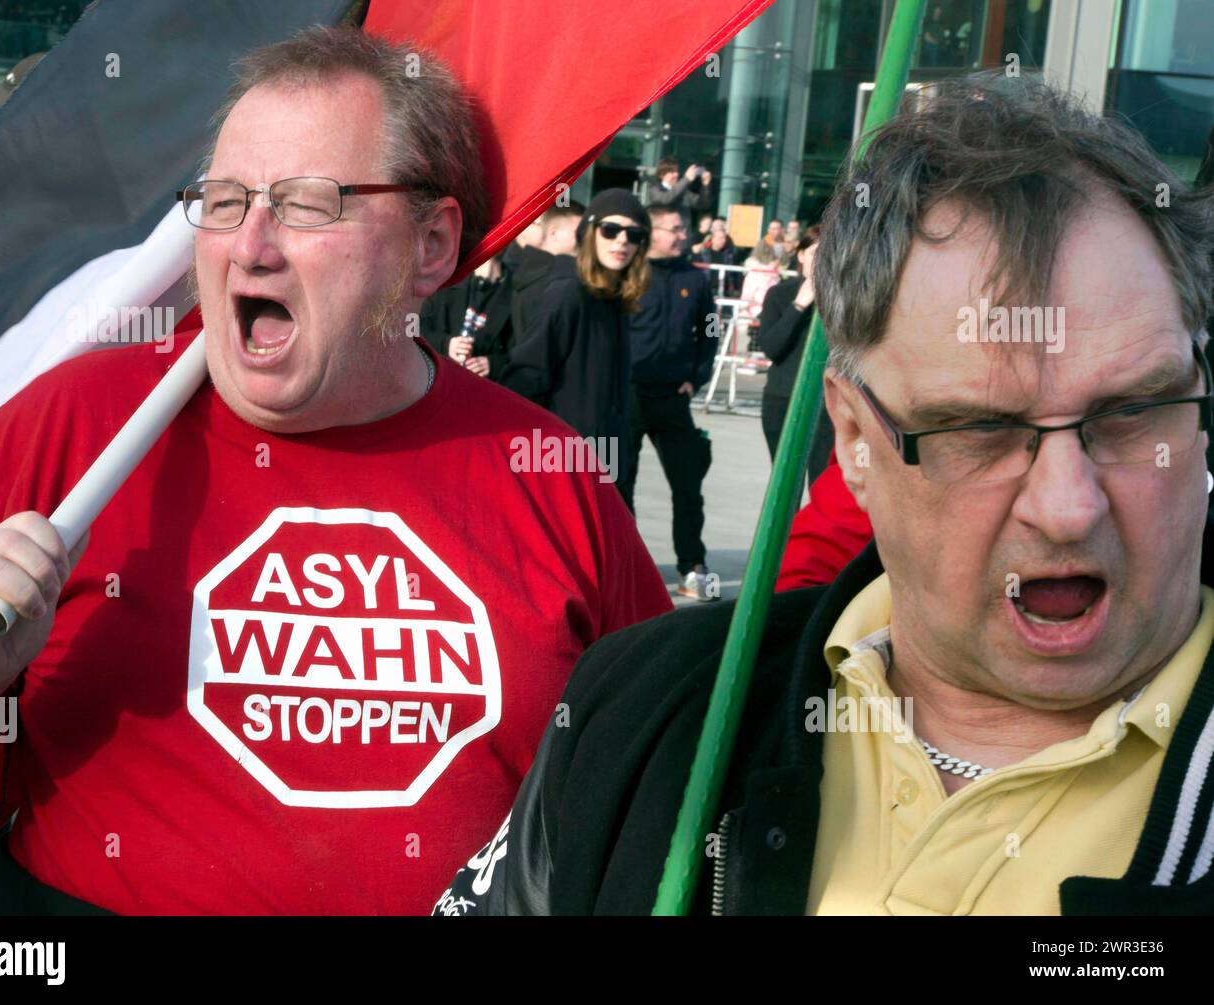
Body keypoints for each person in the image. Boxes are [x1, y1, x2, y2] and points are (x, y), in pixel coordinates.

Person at [0, 24, 671, 917]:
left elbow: (650, 780)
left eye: (308, 203)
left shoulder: (553, 478)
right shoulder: (68, 427)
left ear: (432, 245)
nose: (251, 244)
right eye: (225, 200)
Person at [438, 73, 1214, 916]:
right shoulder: (651, 713)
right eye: (979, 432)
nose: (1068, 506)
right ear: (852, 440)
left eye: (1133, 412)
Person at [501, 190, 652, 485]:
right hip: (559, 463)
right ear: (589, 234)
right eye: (610, 230)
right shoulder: (568, 293)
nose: (622, 240)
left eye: (633, 235)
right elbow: (524, 378)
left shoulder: (617, 301)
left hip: (607, 461)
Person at [617, 204, 718, 601]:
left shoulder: (695, 279)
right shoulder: (627, 273)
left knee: (688, 486)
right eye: (674, 228)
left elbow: (709, 330)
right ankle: (627, 567)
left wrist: (697, 377)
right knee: (620, 485)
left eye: (684, 228)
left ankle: (692, 567)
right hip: (626, 399)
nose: (682, 235)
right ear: (652, 231)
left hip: (674, 399)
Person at [758, 225, 831, 481]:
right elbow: (771, 347)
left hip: (825, 407)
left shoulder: (842, 299)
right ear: (801, 255)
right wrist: (799, 305)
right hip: (782, 400)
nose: (820, 261)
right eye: (814, 253)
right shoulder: (779, 294)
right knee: (784, 482)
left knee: (822, 484)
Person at [419, 252, 514, 382]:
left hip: (479, 387)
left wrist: (493, 364)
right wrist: (446, 344)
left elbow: (526, 351)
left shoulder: (515, 291)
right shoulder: (447, 280)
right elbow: (412, 329)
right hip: (437, 378)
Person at [508, 203, 583, 343]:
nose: (586, 240)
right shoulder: (557, 282)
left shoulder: (528, 273)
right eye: (580, 233)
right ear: (554, 233)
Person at [647, 157, 708, 236]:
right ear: (662, 174)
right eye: (672, 172)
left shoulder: (683, 190)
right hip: (664, 238)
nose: (676, 175)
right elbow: (666, 199)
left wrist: (706, 186)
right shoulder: (655, 190)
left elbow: (702, 203)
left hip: (683, 239)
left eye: (677, 171)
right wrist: (686, 179)